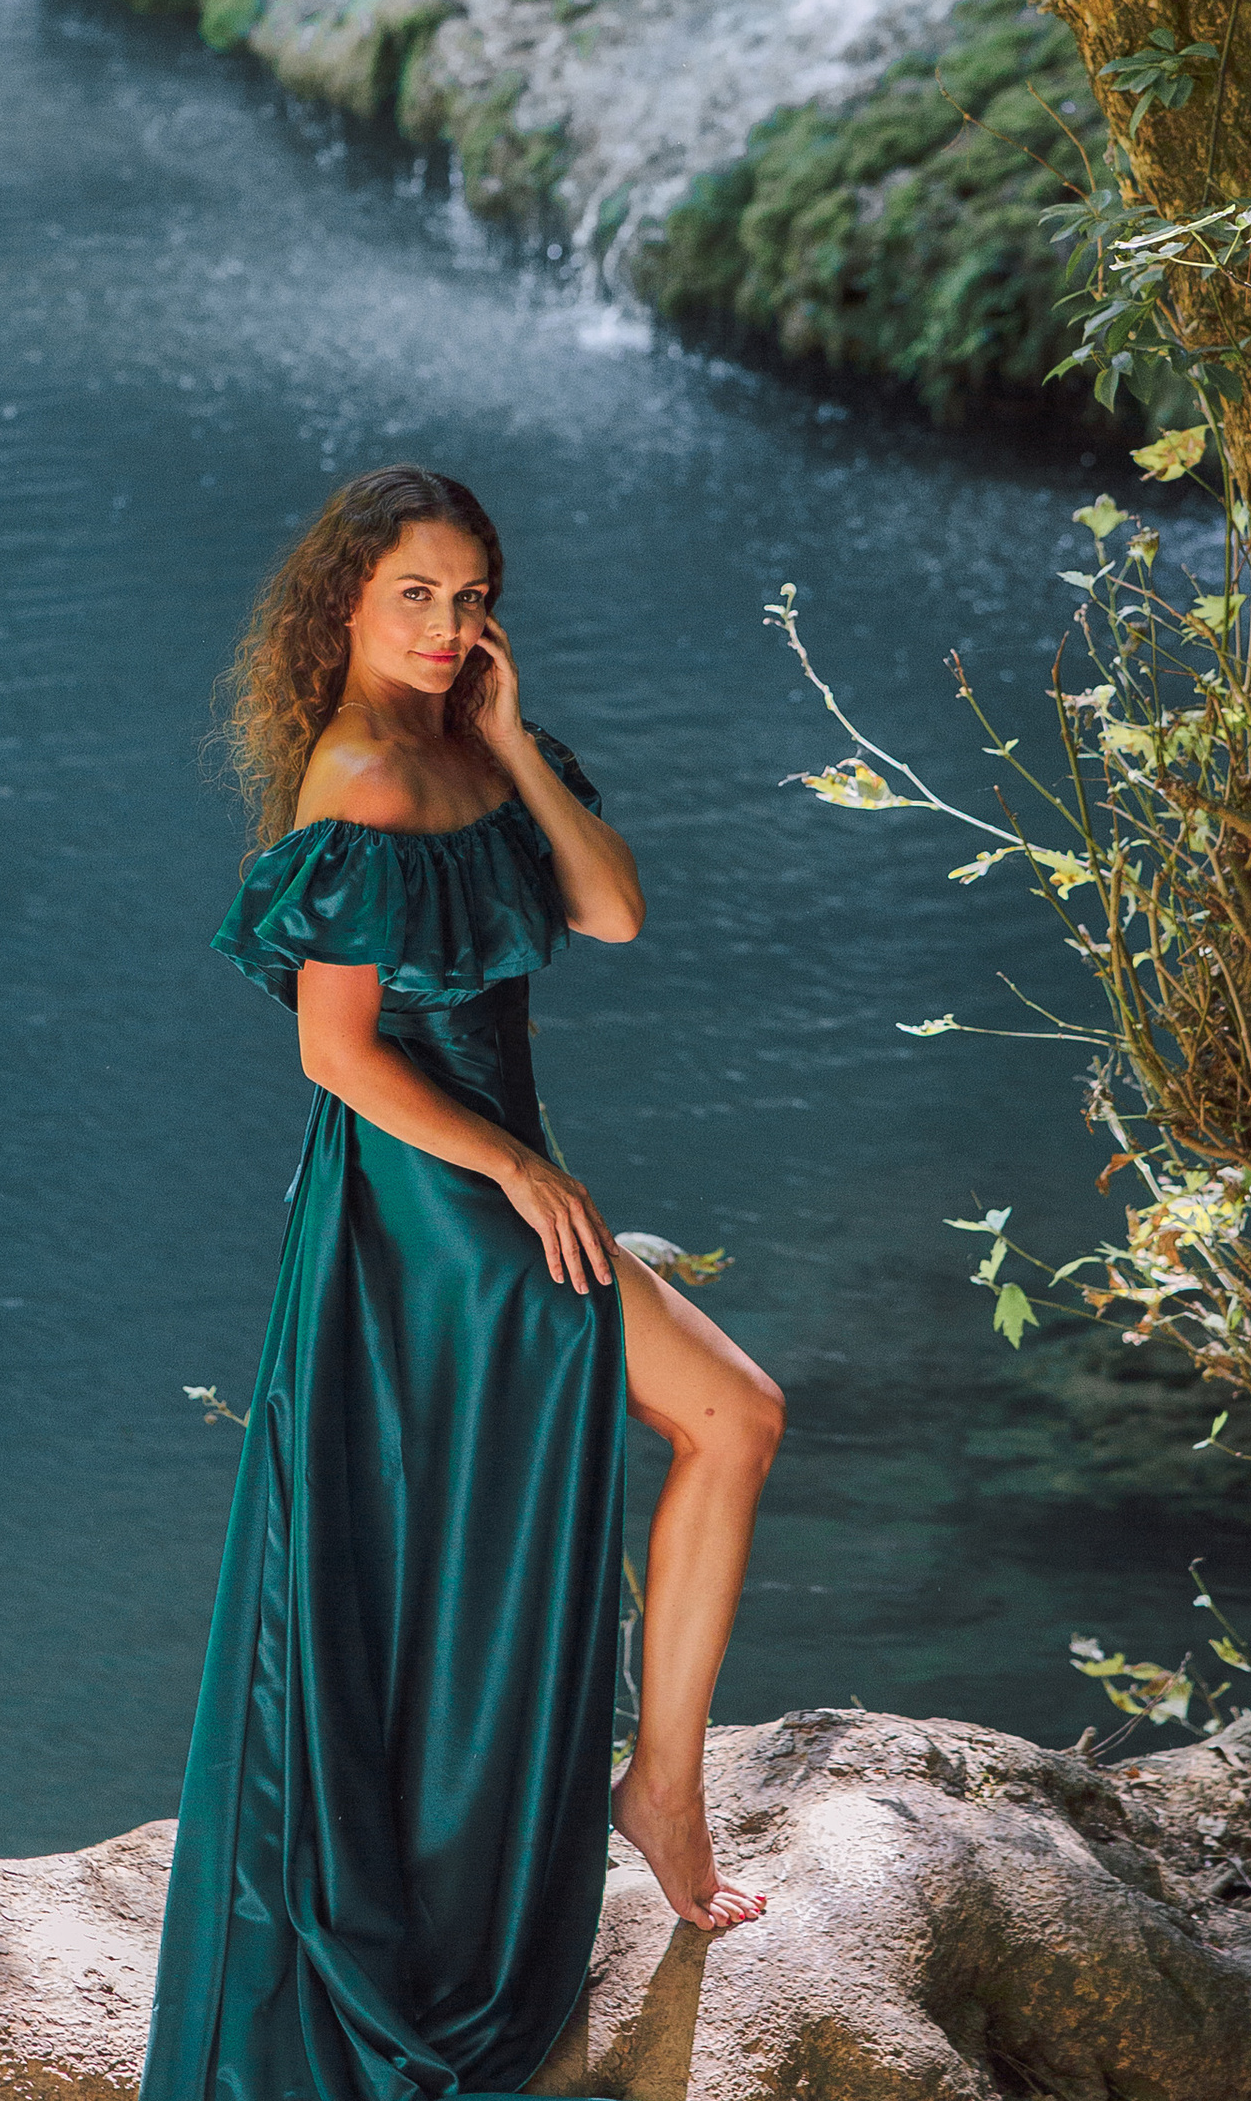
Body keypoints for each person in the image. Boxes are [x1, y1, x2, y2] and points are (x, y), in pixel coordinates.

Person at [142, 465, 785, 2101]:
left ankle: (652, 1786)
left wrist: (509, 737)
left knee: (678, 1443)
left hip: (502, 1180)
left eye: (472, 595)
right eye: (414, 596)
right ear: (343, 608)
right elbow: (334, 1052)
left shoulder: (475, 752)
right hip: (431, 1194)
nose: (447, 626)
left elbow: (618, 909)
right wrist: (512, 1167)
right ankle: (656, 1791)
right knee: (729, 1411)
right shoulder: (351, 778)